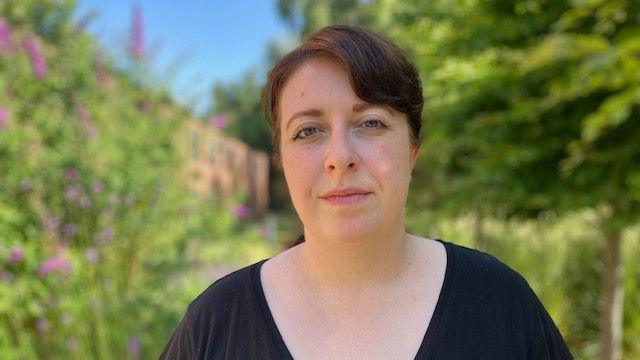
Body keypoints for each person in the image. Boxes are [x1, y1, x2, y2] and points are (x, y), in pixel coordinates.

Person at [160, 25, 572, 360]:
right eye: (308, 131)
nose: (339, 157)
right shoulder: (214, 324)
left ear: (412, 150)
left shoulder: (500, 303)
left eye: (371, 123)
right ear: (282, 160)